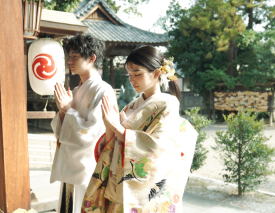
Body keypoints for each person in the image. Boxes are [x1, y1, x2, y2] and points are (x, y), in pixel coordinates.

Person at [81, 46, 198, 213]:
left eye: (137, 74)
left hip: (141, 193)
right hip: (118, 184)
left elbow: (158, 150)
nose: (132, 79)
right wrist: (109, 127)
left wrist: (118, 129)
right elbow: (112, 144)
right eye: (129, 74)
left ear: (156, 73)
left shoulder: (168, 104)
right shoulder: (132, 105)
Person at [50, 33, 117, 213]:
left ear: (92, 58)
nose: (69, 61)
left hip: (88, 166)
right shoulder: (78, 89)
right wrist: (64, 111)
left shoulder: (104, 90)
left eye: (75, 56)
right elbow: (63, 130)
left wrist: (67, 109)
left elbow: (92, 132)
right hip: (71, 162)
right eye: (68, 56)